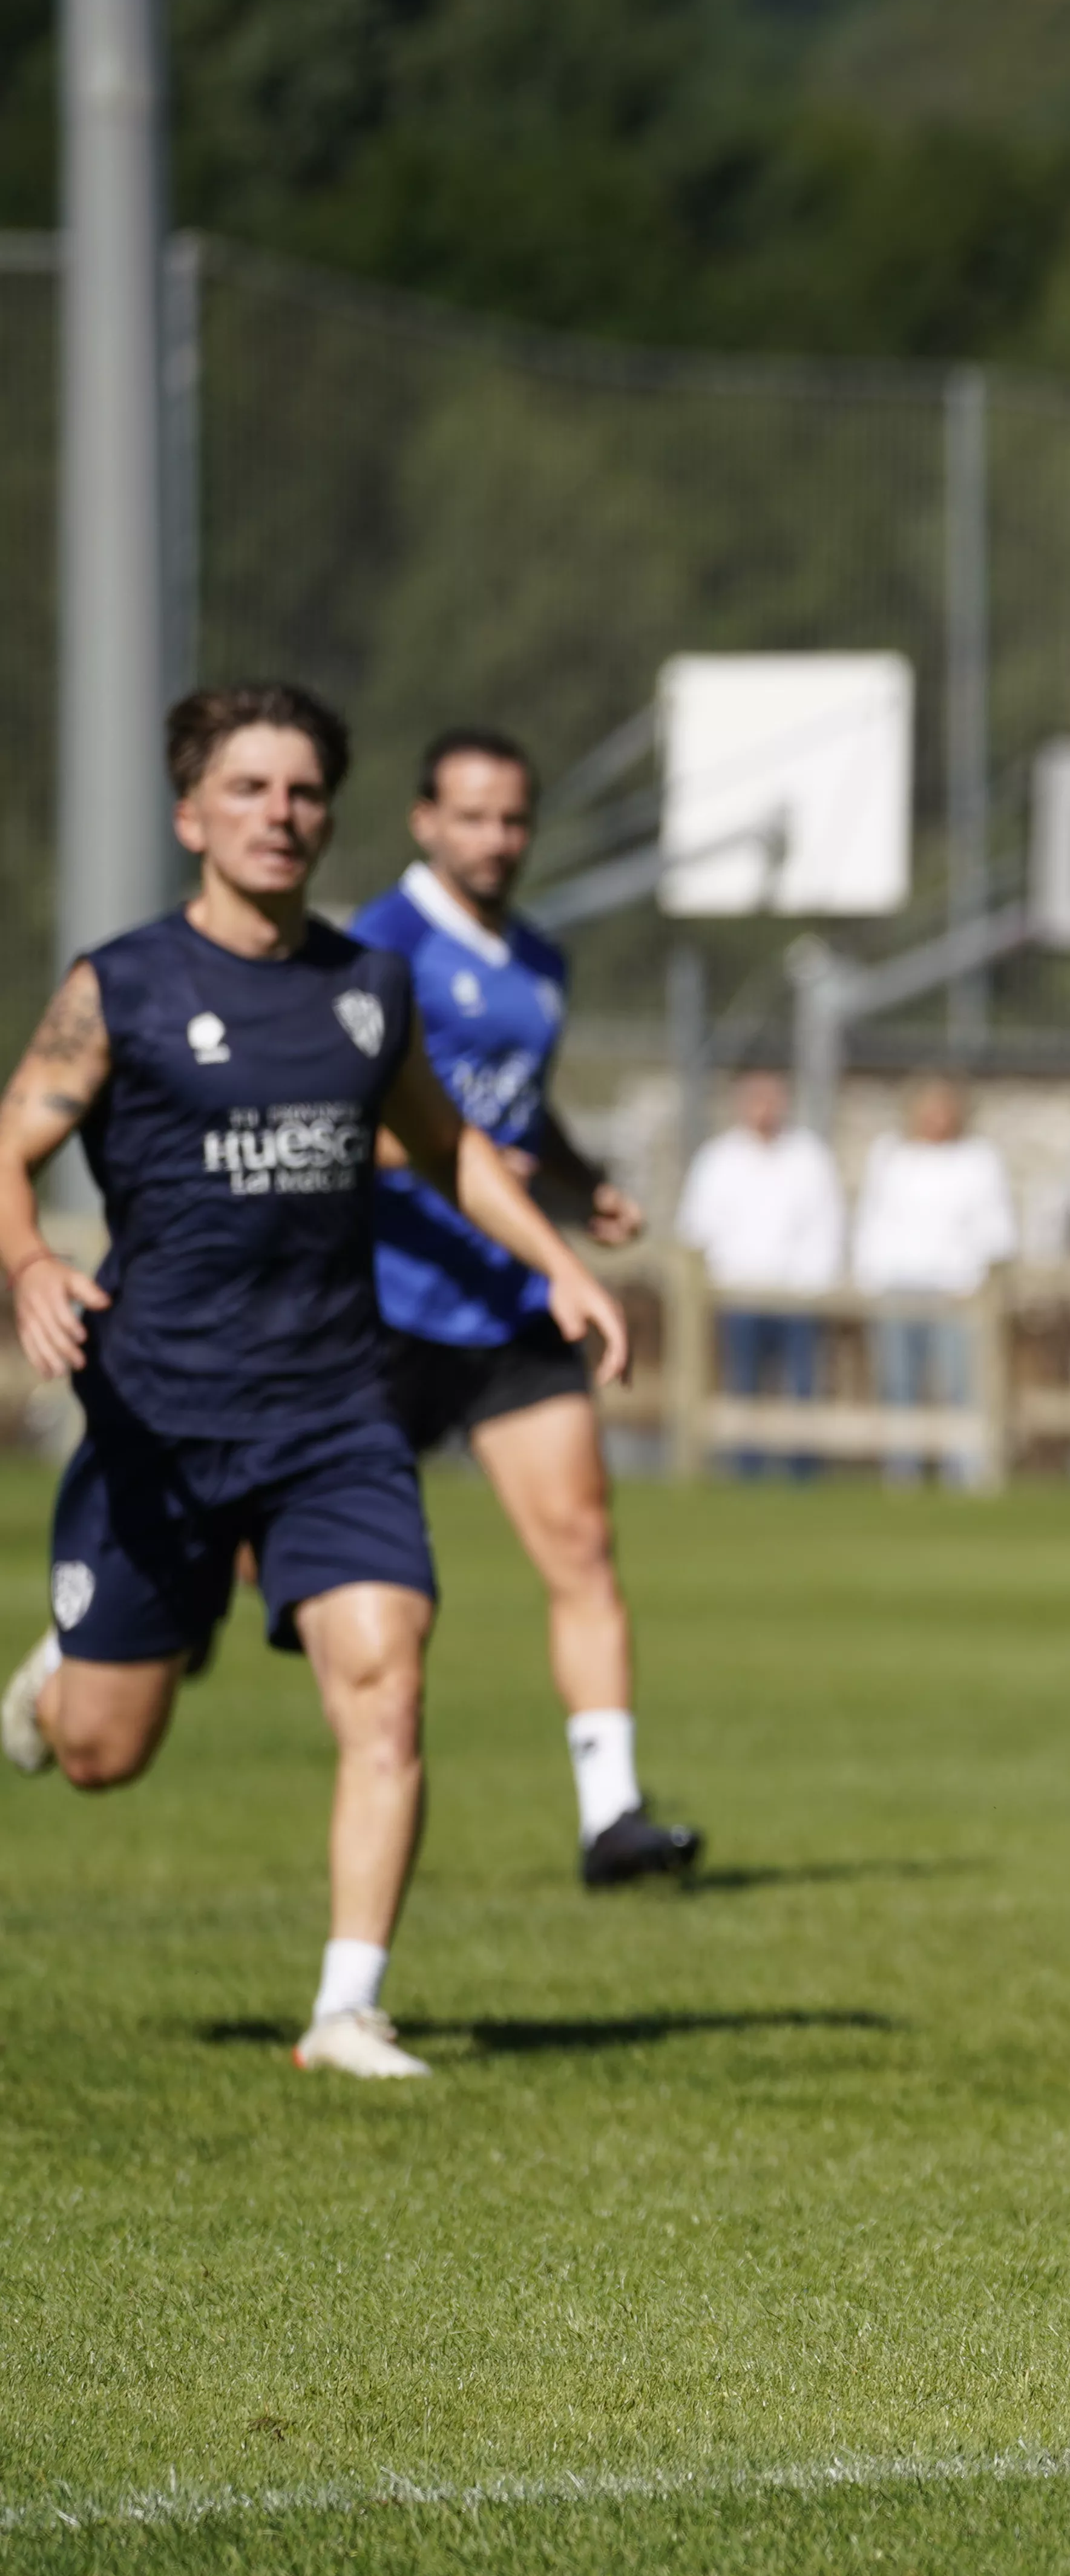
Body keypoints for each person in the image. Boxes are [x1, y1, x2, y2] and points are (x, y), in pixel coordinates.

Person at [0, 683, 634, 2074]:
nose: (279, 814)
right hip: (160, 1414)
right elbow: (12, 1138)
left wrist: (561, 1268)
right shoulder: (125, 986)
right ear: (190, 815)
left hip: (333, 1411)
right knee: (107, 1751)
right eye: (247, 789)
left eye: (299, 792)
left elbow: (453, 1144)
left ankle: (348, 2005)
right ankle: (57, 1680)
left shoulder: (366, 987)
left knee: (386, 1679)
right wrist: (31, 1266)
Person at [352, 726, 700, 1889]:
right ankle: (103, 1639)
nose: (495, 838)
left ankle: (614, 1816)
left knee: (582, 1541)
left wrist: (576, 1176)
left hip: (507, 1302)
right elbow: (333, 1118)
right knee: (260, 1559)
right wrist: (458, 1164)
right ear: (423, 820)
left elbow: (518, 1112)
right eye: (471, 815)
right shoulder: (373, 945)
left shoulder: (540, 960)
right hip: (382, 1302)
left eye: (512, 818)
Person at [848, 1076, 1018, 1486]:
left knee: (962, 1386)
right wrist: (871, 1279)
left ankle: (967, 1472)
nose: (937, 1118)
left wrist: (978, 1282)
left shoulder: (978, 1160)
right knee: (899, 1385)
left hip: (957, 1290)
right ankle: (901, 1473)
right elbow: (873, 1222)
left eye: (945, 1108)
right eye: (929, 1108)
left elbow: (996, 1226)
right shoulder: (890, 1157)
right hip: (899, 1288)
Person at [678, 1068, 841, 1477]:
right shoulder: (717, 1158)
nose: (765, 1109)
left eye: (773, 1098)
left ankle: (802, 1472)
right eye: (756, 1098)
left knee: (802, 1387)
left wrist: (811, 1283)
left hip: (797, 1294)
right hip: (735, 1293)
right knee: (743, 1385)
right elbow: (698, 1226)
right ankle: (745, 1470)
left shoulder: (809, 1156)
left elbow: (827, 1224)